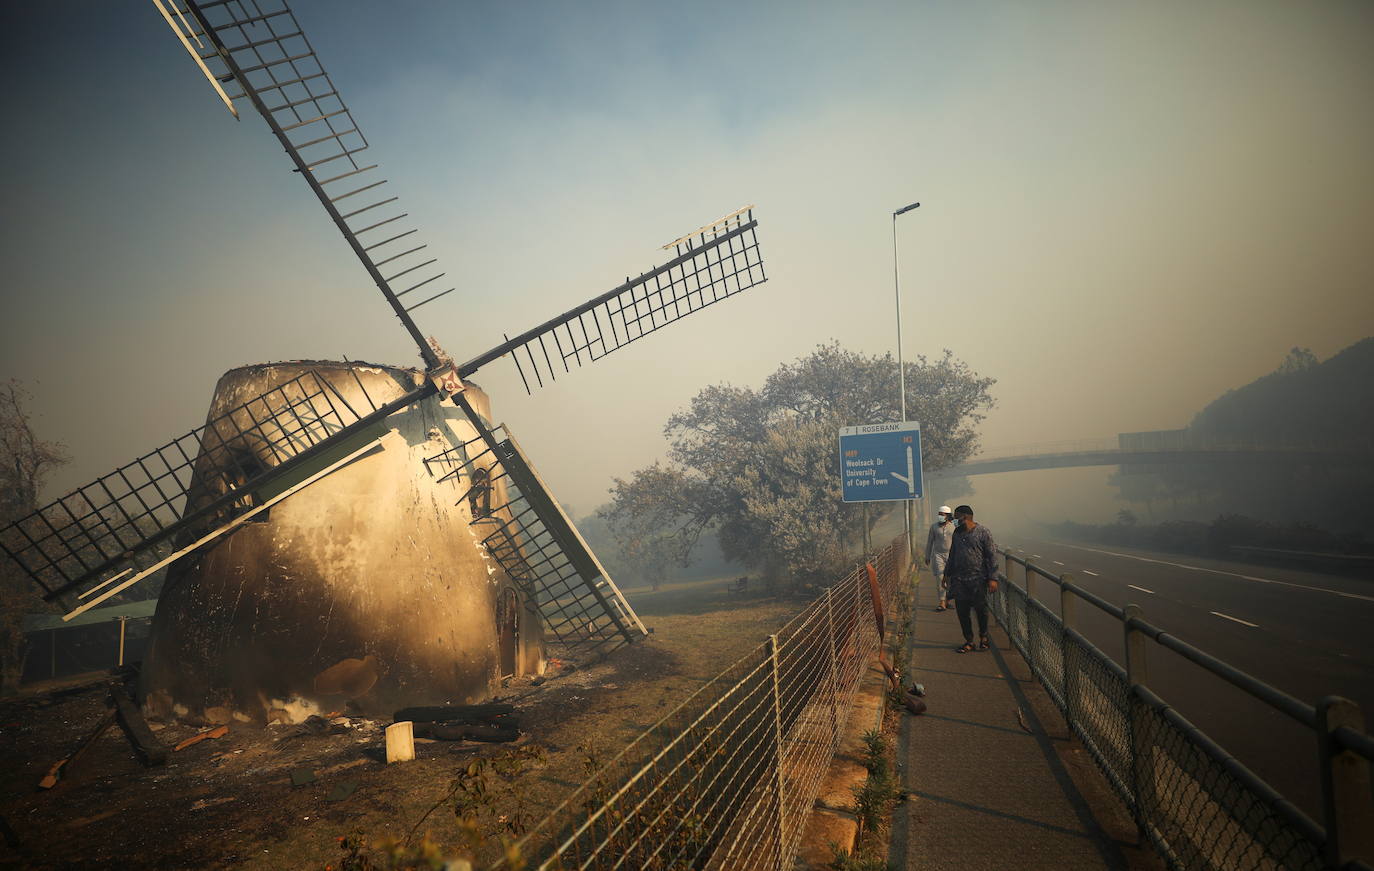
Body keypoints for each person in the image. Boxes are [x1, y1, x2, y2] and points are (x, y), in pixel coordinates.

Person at [942, 504, 999, 653]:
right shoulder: (957, 533)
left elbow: (992, 556)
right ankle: (969, 641)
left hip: (978, 579)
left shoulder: (983, 532)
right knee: (962, 612)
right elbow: (952, 554)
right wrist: (946, 575)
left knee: (981, 610)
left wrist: (993, 578)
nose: (954, 520)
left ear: (965, 517)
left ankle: (984, 637)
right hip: (960, 580)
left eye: (956, 517)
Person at [925, 505, 956, 611]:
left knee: (951, 579)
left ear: (947, 516)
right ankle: (941, 602)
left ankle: (947, 601)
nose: (940, 517)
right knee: (940, 578)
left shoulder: (954, 526)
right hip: (938, 555)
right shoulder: (934, 527)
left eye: (942, 515)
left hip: (951, 556)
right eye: (939, 514)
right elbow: (930, 542)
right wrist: (927, 556)